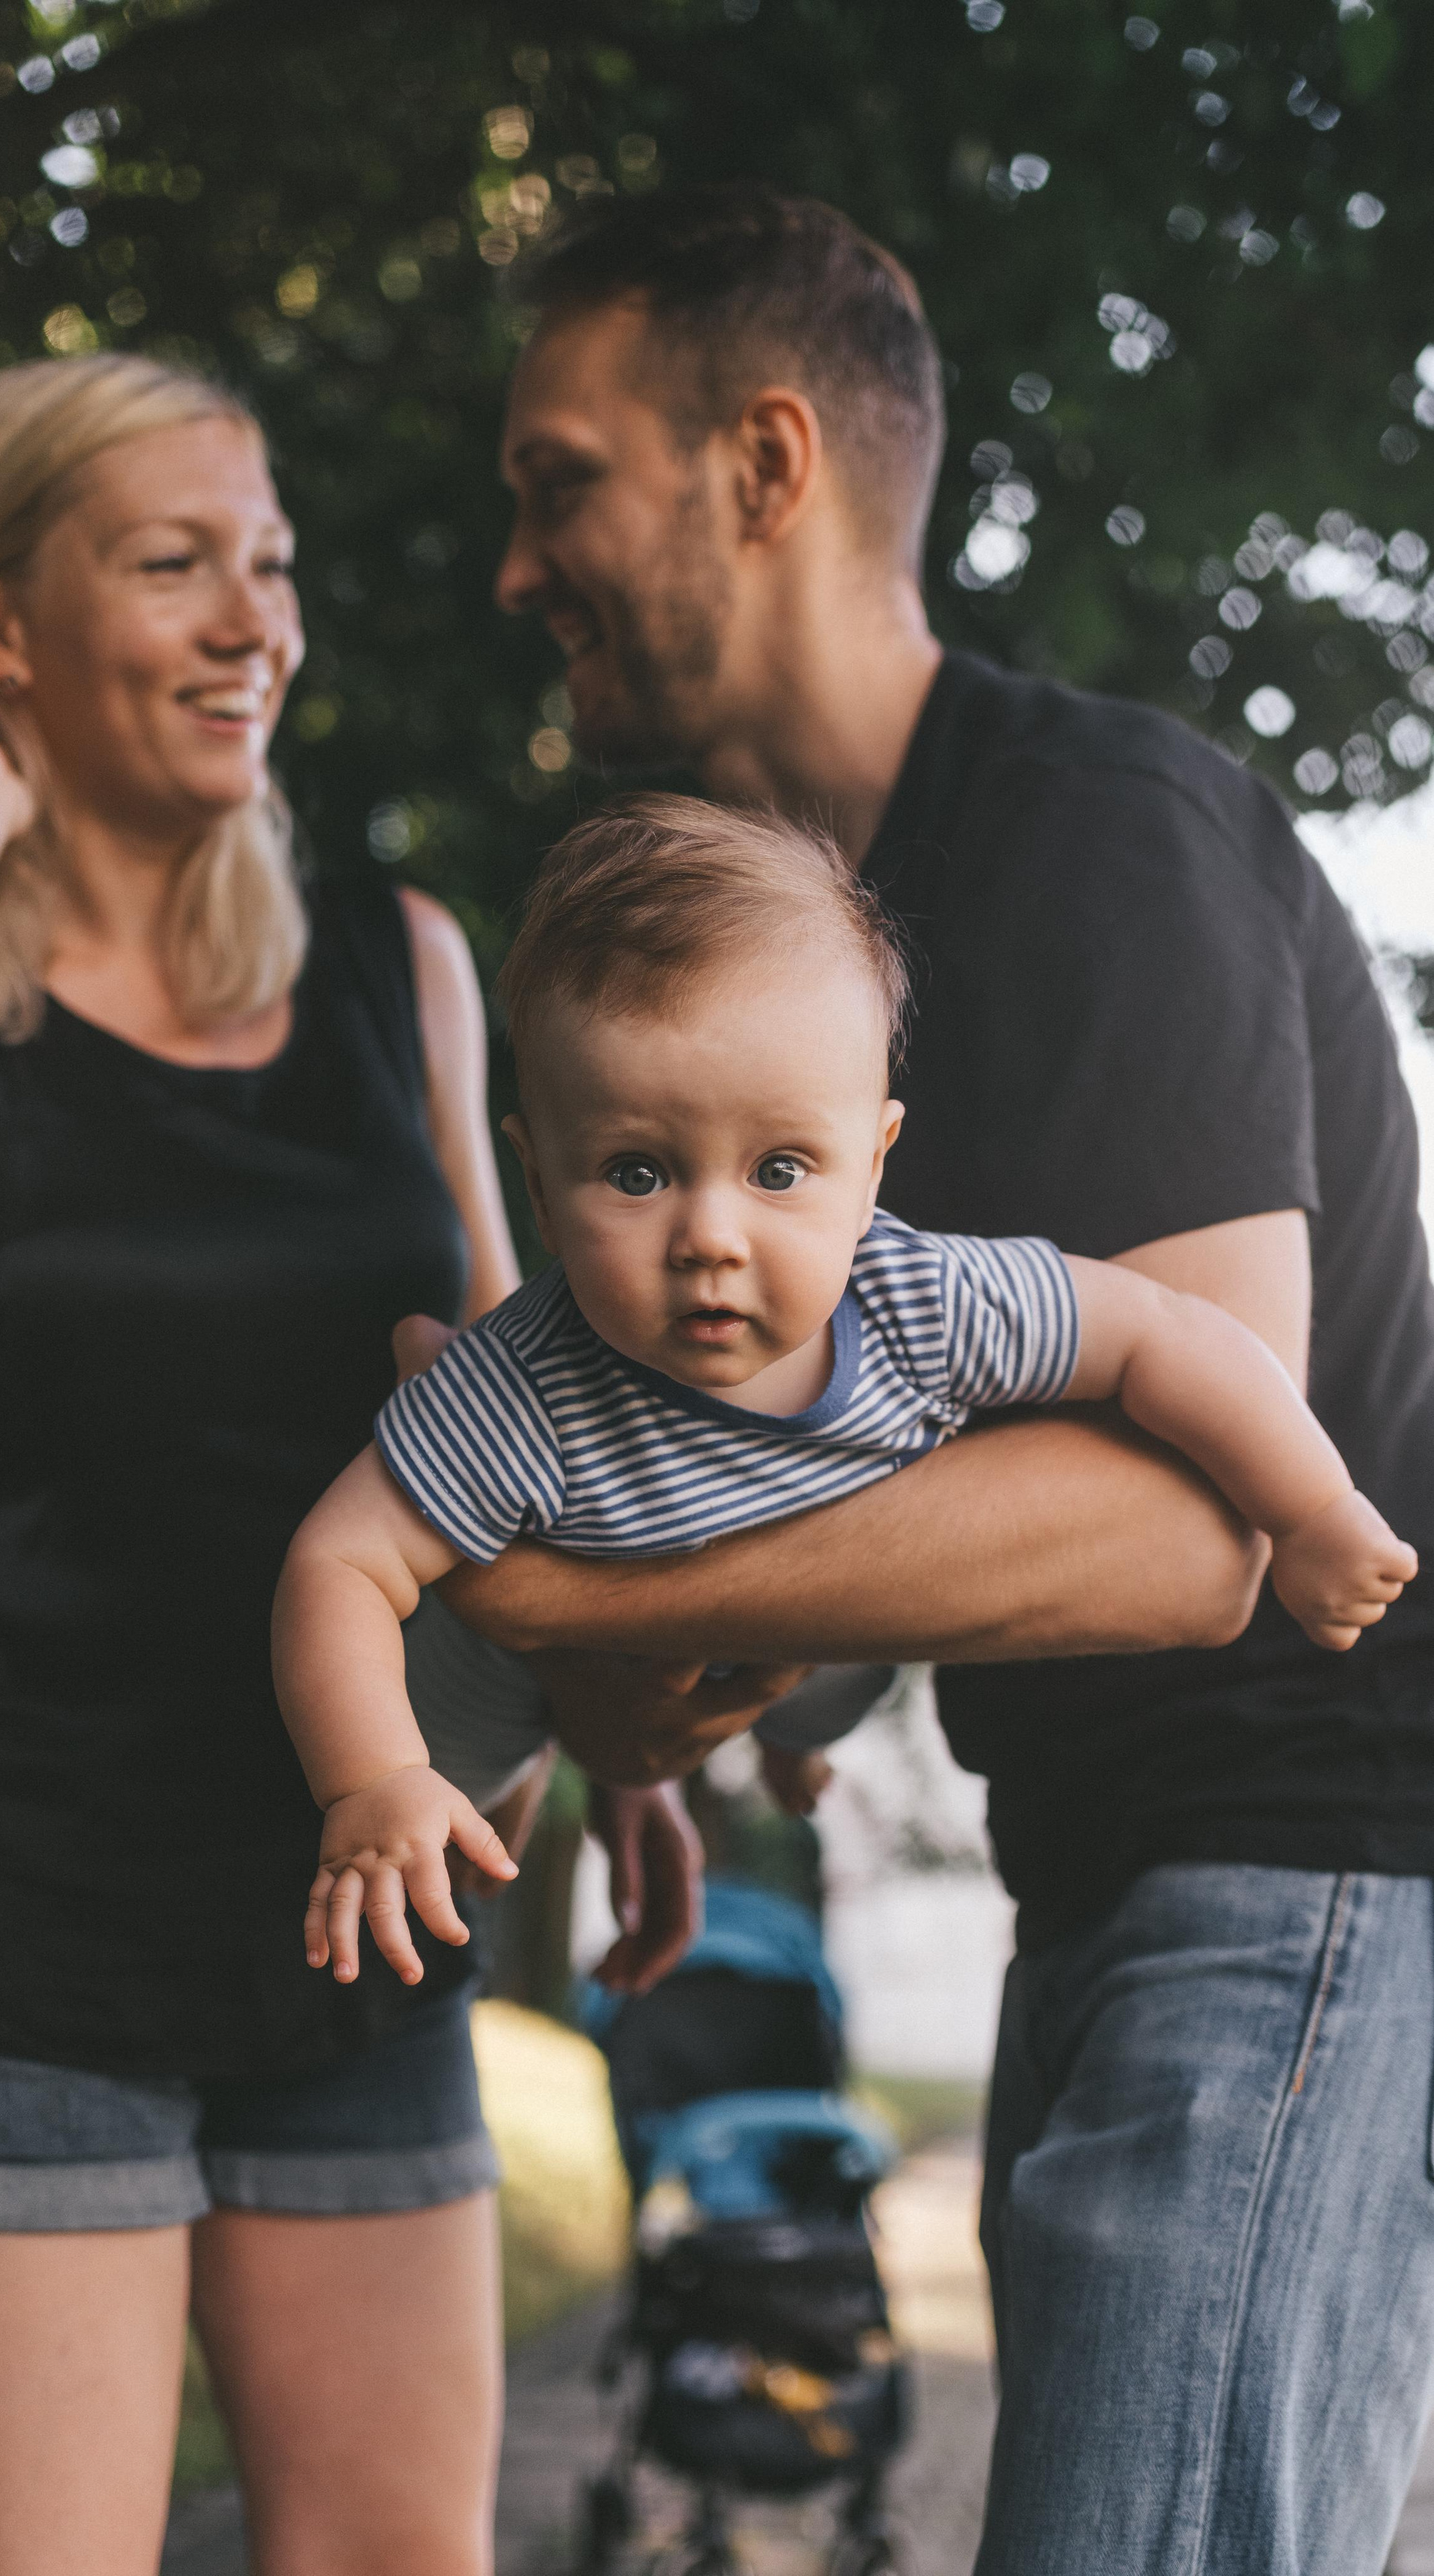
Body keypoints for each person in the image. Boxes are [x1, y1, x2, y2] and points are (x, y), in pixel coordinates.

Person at [427, 184, 1434, 2573]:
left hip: (1304, 1873)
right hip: (1115, 1889)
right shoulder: (832, 970)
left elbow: (1190, 1536)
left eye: (559, 477)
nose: (513, 564)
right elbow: (949, 1457)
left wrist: (594, 1599)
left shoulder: (1097, 843)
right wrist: (722, 1715)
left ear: (762, 462)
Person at [0, 349, 633, 2576]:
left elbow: (527, 1425)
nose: (256, 623)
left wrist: (639, 1731)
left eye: (274, 565)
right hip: (3, 1940)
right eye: (170, 565)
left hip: (357, 1932)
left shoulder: (396, 969)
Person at [279, 796, 1413, 1984]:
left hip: (808, 1624)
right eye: (636, 1172)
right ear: (543, 1182)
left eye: (778, 1169)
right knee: (458, 1780)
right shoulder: (522, 1390)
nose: (710, 1235)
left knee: (832, 1690)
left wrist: (1312, 1510)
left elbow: (1168, 1337)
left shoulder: (922, 1301)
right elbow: (339, 1565)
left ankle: (785, 1748)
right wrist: (375, 1778)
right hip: (513, 1651)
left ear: (872, 1164)